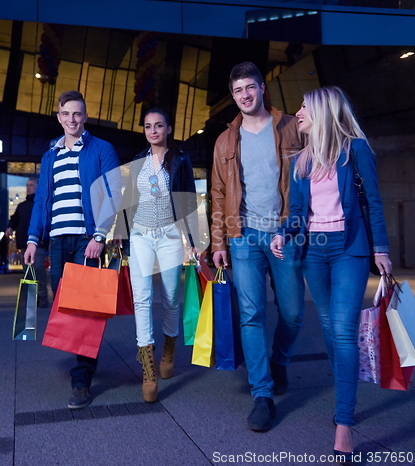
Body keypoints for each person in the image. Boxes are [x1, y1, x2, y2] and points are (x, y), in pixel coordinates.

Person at [270, 86, 392, 462]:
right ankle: (346, 397)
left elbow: (373, 201)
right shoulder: (300, 162)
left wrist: (382, 248)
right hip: (314, 253)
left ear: (322, 112)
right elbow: (297, 213)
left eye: (304, 106)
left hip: (349, 250)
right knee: (329, 328)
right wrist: (283, 232)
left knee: (343, 331)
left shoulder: (355, 151)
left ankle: (343, 423)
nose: (299, 112)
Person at [211, 62, 305, 432]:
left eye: (250, 87)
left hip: (284, 233)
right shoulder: (225, 141)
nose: (245, 95)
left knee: (294, 312)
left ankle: (279, 361)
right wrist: (218, 240)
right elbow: (218, 195)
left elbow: (309, 176)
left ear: (263, 88)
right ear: (233, 96)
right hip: (243, 235)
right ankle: (262, 393)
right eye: (238, 91)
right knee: (251, 314)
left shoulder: (291, 128)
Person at [24, 90, 120, 410]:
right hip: (58, 239)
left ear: (85, 116)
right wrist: (33, 239)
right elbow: (42, 201)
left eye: (78, 114)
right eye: (66, 114)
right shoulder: (50, 154)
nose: (72, 120)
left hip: (85, 239)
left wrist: (100, 235)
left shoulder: (101, 149)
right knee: (64, 302)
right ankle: (83, 358)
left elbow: (112, 193)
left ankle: (81, 379)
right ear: (59, 116)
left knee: (84, 306)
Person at [115, 108, 197, 403]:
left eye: (158, 125)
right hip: (140, 236)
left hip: (170, 237)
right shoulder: (138, 160)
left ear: (168, 128)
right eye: (148, 126)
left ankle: (169, 348)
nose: (153, 131)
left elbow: (188, 199)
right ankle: (148, 366)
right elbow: (128, 200)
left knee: (171, 297)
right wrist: (120, 234)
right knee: (142, 298)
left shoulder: (180, 160)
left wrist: (193, 239)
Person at [6, 178, 49, 308]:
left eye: (31, 185)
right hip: (24, 244)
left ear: (37, 187)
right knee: (28, 272)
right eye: (27, 185)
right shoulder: (21, 206)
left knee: (38, 269)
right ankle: (33, 299)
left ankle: (42, 297)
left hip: (39, 244)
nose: (28, 187)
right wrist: (9, 227)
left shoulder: (41, 205)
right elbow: (14, 220)